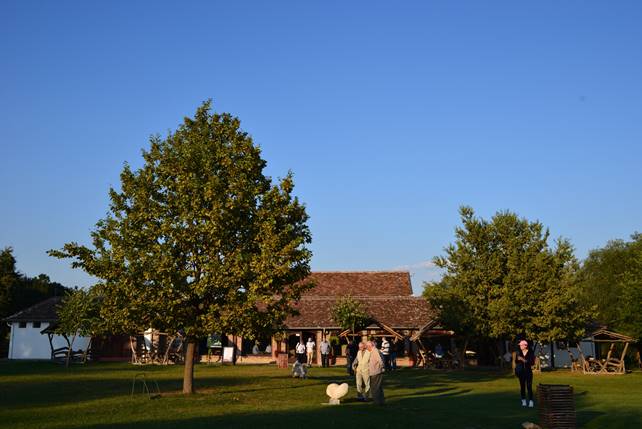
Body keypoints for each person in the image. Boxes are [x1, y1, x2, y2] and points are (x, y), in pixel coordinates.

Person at [515, 339, 536, 408]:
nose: (520, 346)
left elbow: (532, 362)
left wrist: (523, 360)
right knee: (522, 386)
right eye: (520, 345)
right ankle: (523, 400)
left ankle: (531, 401)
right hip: (521, 372)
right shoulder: (519, 352)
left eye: (521, 345)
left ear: (525, 346)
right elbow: (516, 361)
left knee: (529, 386)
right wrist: (518, 360)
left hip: (528, 372)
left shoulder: (530, 353)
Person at [367, 340, 385, 405]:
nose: (366, 348)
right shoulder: (373, 351)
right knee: (378, 387)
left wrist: (382, 368)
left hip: (376, 372)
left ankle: (377, 402)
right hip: (374, 372)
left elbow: (380, 360)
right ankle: (381, 401)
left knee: (375, 388)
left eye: (367, 346)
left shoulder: (375, 351)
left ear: (370, 346)